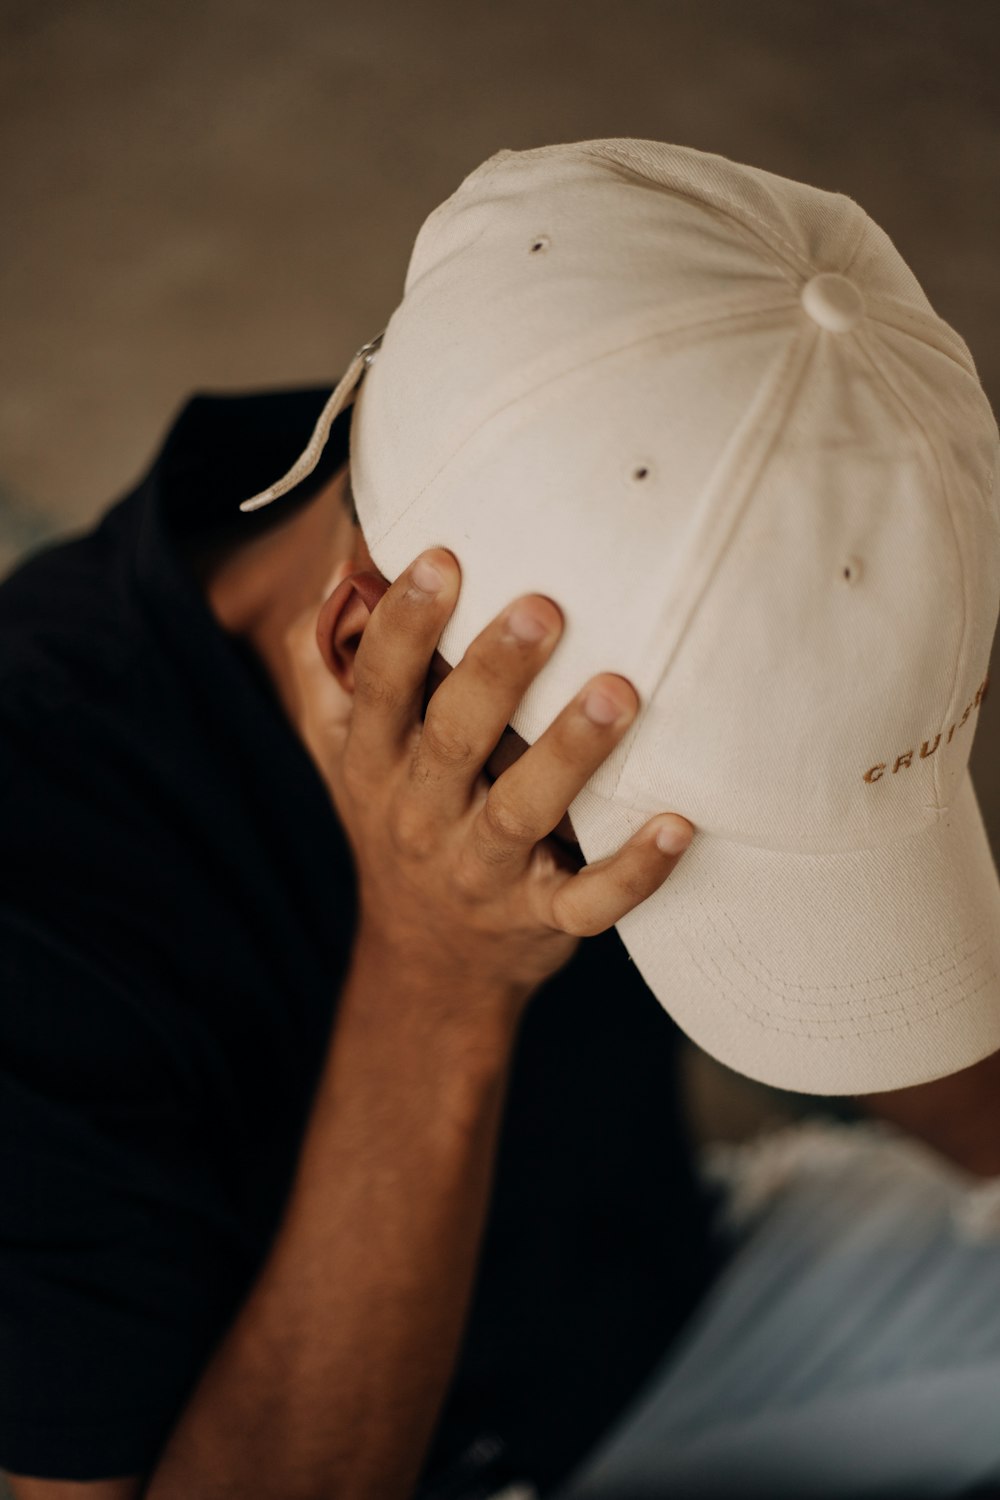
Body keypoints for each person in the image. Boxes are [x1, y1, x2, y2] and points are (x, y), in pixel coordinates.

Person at [1, 137, 1000, 1500]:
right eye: (655, 853)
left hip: (673, 1322)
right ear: (367, 644)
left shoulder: (554, 474)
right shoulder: (37, 904)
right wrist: (435, 979)